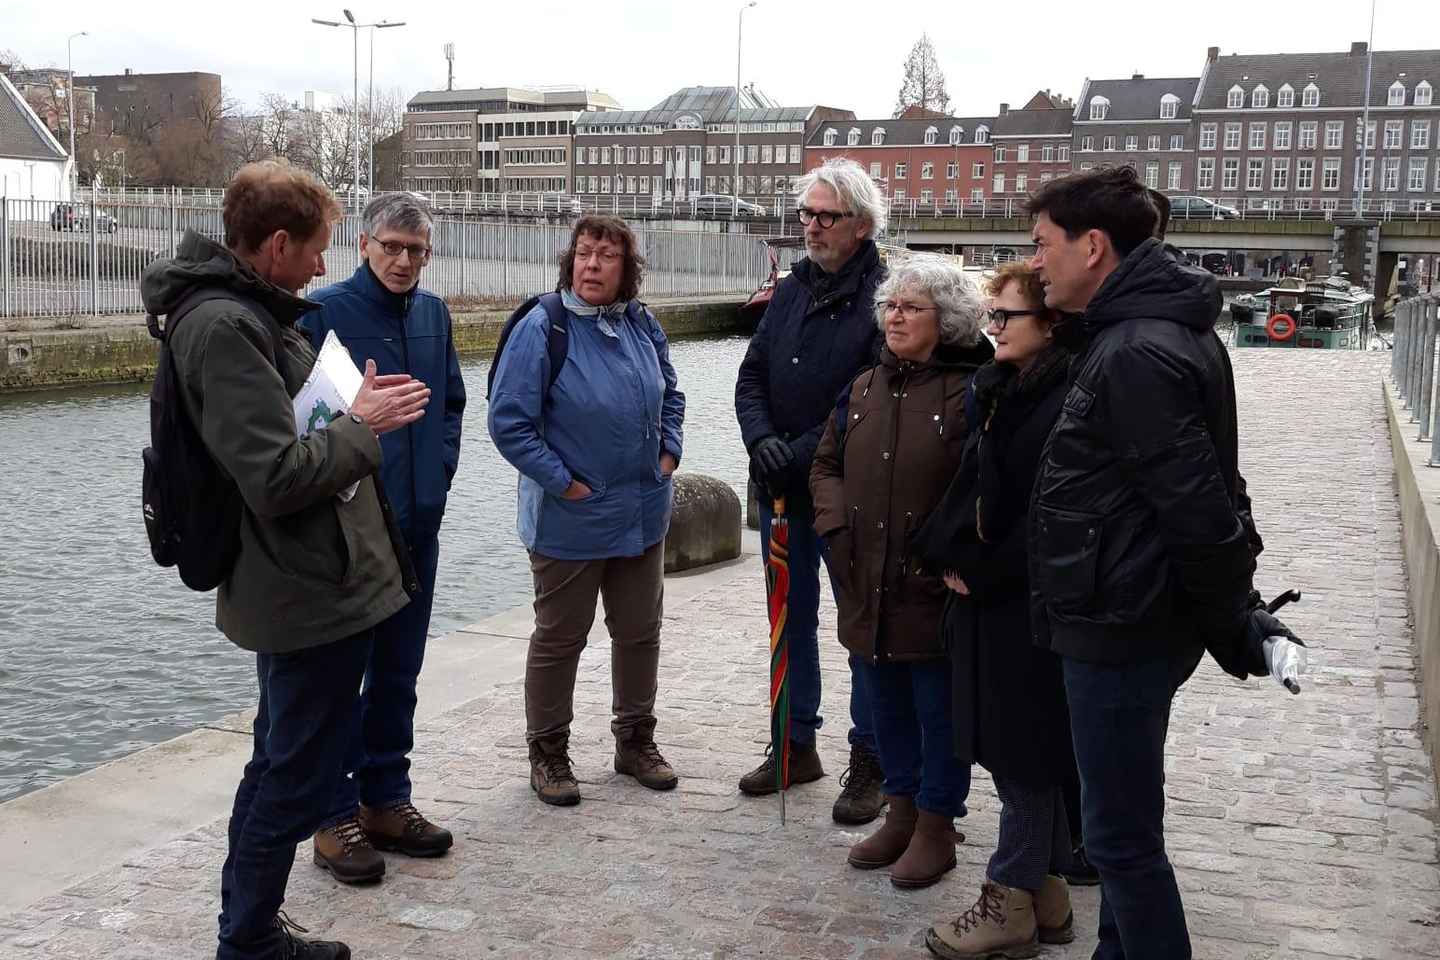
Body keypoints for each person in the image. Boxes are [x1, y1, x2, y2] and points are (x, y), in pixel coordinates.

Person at [140, 160, 430, 960]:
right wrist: (361, 426)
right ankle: (251, 938)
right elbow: (271, 478)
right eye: (315, 249)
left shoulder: (245, 314)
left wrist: (343, 411)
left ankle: (250, 923)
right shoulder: (225, 328)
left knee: (279, 761)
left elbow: (279, 440)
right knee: (293, 776)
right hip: (301, 593)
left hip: (308, 582)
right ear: (274, 244)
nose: (320, 267)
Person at [1024, 165, 1297, 958]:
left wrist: (1232, 618)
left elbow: (1196, 506)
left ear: (1094, 246)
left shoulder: (1136, 351)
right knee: (1122, 828)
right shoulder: (1145, 332)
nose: (1034, 262)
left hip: (1123, 620)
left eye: (1043, 245)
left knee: (1120, 840)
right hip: (1132, 608)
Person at [488, 215, 686, 807]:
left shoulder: (643, 324)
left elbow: (671, 393)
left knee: (639, 632)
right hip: (569, 518)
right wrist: (562, 482)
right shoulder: (543, 326)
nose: (593, 265)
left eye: (607, 256)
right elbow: (509, 422)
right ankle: (548, 754)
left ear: (628, 270)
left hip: (643, 510)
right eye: (584, 254)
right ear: (569, 262)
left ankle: (635, 741)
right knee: (560, 637)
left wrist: (669, 450)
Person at [809, 256, 990, 887]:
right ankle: (901, 809)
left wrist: (953, 549)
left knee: (938, 711)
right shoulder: (863, 388)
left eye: (912, 308)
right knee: (882, 702)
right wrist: (835, 532)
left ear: (950, 320)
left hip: (933, 584)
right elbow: (825, 465)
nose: (895, 317)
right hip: (867, 578)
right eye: (891, 306)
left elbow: (986, 481)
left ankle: (937, 826)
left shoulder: (973, 389)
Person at [302, 192, 465, 883]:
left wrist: (440, 472)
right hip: (352, 530)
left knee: (400, 670)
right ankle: (332, 812)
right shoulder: (326, 314)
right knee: (343, 676)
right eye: (391, 246)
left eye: (416, 250)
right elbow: (304, 419)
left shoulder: (432, 313)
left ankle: (385, 798)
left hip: (417, 524)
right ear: (363, 244)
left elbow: (451, 402)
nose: (402, 261)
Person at [915, 262, 1077, 958]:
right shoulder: (1007, 387)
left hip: (1019, 600)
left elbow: (1048, 514)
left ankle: (1010, 896)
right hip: (992, 598)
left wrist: (977, 569)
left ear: (1052, 324)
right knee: (1009, 745)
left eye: (1007, 317)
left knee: (1022, 755)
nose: (994, 328)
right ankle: (1044, 893)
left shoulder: (1061, 398)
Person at [733, 157, 888, 825]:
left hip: (849, 488)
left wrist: (795, 451)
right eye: (807, 214)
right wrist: (760, 438)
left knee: (861, 623)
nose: (813, 227)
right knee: (787, 616)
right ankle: (794, 742)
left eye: (827, 217)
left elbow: (867, 395)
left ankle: (871, 757)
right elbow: (752, 374)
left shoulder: (884, 294)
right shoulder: (793, 289)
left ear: (859, 224)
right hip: (779, 488)